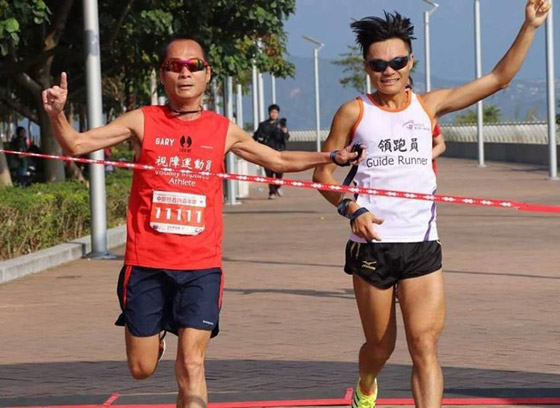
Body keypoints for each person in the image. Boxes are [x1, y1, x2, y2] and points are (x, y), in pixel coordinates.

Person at [41, 35, 360, 408]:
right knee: (141, 369)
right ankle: (157, 336)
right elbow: (77, 145)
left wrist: (331, 157)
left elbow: (276, 160)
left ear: (207, 74)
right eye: (175, 66)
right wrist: (57, 114)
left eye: (194, 66)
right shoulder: (142, 120)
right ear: (163, 75)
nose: (185, 73)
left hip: (200, 268)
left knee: (192, 364)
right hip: (146, 265)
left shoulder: (222, 129)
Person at [312, 2, 550, 408]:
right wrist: (353, 210)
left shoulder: (428, 106)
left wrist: (529, 26)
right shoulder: (354, 112)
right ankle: (366, 385)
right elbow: (323, 175)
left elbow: (498, 79)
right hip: (372, 248)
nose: (388, 71)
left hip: (421, 246)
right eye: (378, 64)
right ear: (366, 66)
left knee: (424, 345)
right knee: (379, 347)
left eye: (397, 62)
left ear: (410, 62)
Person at [253, 104, 290, 199]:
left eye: (276, 112)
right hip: (267, 152)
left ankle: (277, 187)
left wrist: (285, 131)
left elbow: (287, 137)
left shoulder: (281, 124)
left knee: (279, 173)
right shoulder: (263, 125)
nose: (274, 114)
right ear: (269, 113)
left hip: (279, 152)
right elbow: (256, 137)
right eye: (272, 112)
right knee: (269, 173)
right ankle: (272, 192)